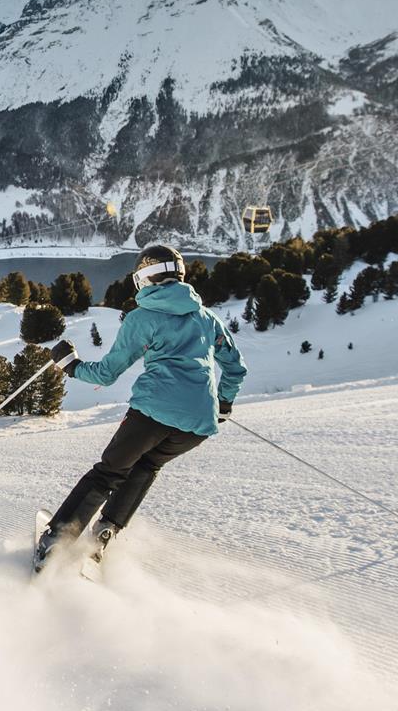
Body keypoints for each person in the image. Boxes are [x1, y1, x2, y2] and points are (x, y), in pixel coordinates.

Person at [35, 244, 246, 571]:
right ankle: (104, 533)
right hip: (198, 425)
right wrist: (224, 404)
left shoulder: (142, 318)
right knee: (146, 466)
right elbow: (235, 368)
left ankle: (55, 543)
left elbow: (106, 374)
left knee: (108, 473)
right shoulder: (207, 319)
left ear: (144, 279)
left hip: (151, 414)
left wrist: (71, 366)